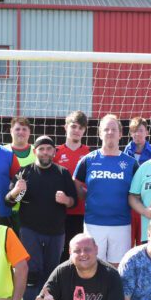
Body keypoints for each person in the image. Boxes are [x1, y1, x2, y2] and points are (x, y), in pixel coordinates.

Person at [5, 135, 77, 300]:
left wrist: (66, 200)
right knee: (32, 273)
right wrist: (16, 192)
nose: (45, 152)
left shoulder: (62, 173)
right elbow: (10, 201)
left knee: (52, 273)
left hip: (56, 231)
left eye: (49, 149)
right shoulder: (24, 173)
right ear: (35, 151)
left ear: (54, 152)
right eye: (41, 149)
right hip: (30, 231)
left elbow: (74, 201)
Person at [73, 114, 137, 267]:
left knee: (118, 267)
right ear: (100, 133)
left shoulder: (130, 163)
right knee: (92, 265)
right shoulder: (88, 160)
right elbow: (75, 182)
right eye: (106, 129)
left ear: (120, 134)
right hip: (93, 223)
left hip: (121, 223)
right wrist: (87, 197)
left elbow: (137, 191)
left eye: (114, 129)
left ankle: (114, 292)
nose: (110, 132)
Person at [56, 110, 89, 262]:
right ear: (66, 127)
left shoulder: (90, 154)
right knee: (62, 253)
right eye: (74, 126)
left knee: (81, 253)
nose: (77, 131)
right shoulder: (55, 152)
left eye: (81, 128)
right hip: (60, 212)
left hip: (83, 212)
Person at [124, 117, 151, 246]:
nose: (138, 134)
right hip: (130, 202)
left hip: (148, 201)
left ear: (147, 132)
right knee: (128, 242)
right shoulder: (126, 152)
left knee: (146, 242)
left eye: (141, 130)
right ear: (131, 133)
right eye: (134, 131)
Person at [5, 116, 35, 233]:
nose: (21, 132)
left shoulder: (37, 152)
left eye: (24, 129)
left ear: (29, 132)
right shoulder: (3, 151)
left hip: (30, 210)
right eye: (17, 129)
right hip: (7, 208)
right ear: (11, 131)